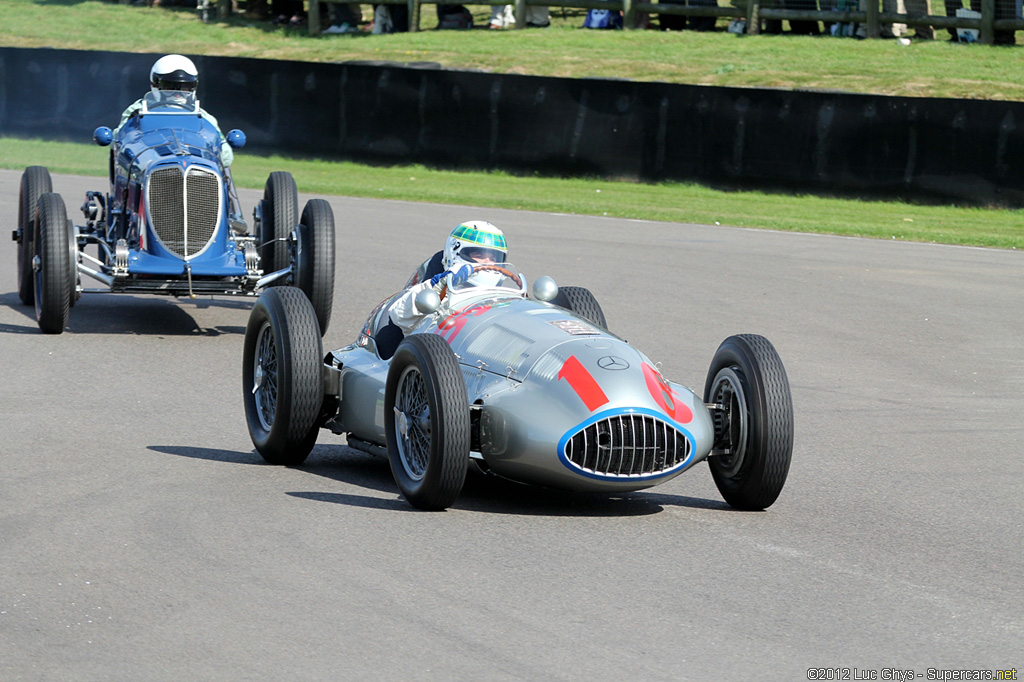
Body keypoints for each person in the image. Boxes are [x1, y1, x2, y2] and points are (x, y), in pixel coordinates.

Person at [375, 221, 509, 359]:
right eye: (480, 256)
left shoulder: (500, 298)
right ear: (455, 253)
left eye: (494, 258)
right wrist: (440, 285)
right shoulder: (434, 290)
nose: (488, 263)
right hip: (436, 359)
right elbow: (399, 314)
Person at [114, 54, 234, 167]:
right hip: (150, 166)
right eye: (169, 87)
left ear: (194, 87)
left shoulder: (202, 116)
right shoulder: (137, 110)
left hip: (193, 170)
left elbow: (225, 156)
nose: (178, 94)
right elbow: (119, 141)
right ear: (155, 84)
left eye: (186, 87)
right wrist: (132, 123)